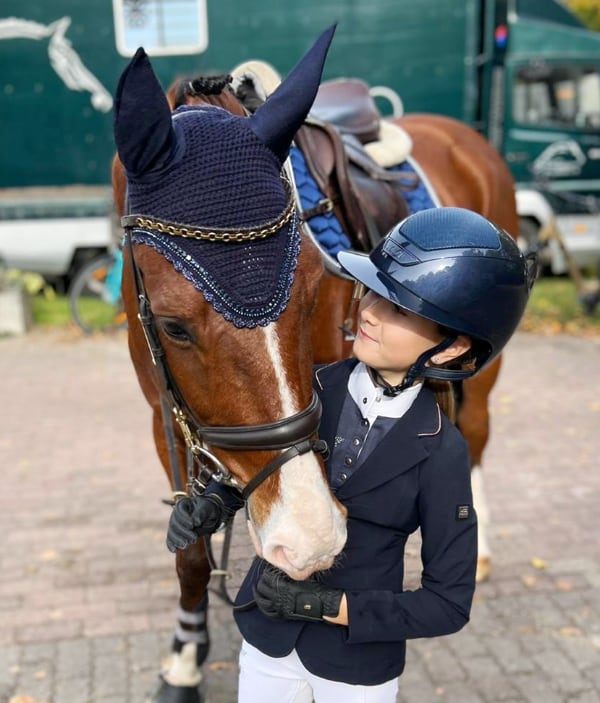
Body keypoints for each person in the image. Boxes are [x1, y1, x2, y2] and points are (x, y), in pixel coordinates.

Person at [166, 206, 536, 702]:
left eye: (399, 310)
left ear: (451, 349)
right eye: (374, 294)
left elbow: (448, 604)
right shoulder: (310, 388)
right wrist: (213, 504)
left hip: (356, 665)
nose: (368, 312)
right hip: (266, 640)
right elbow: (268, 467)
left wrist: (329, 607)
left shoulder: (443, 451)